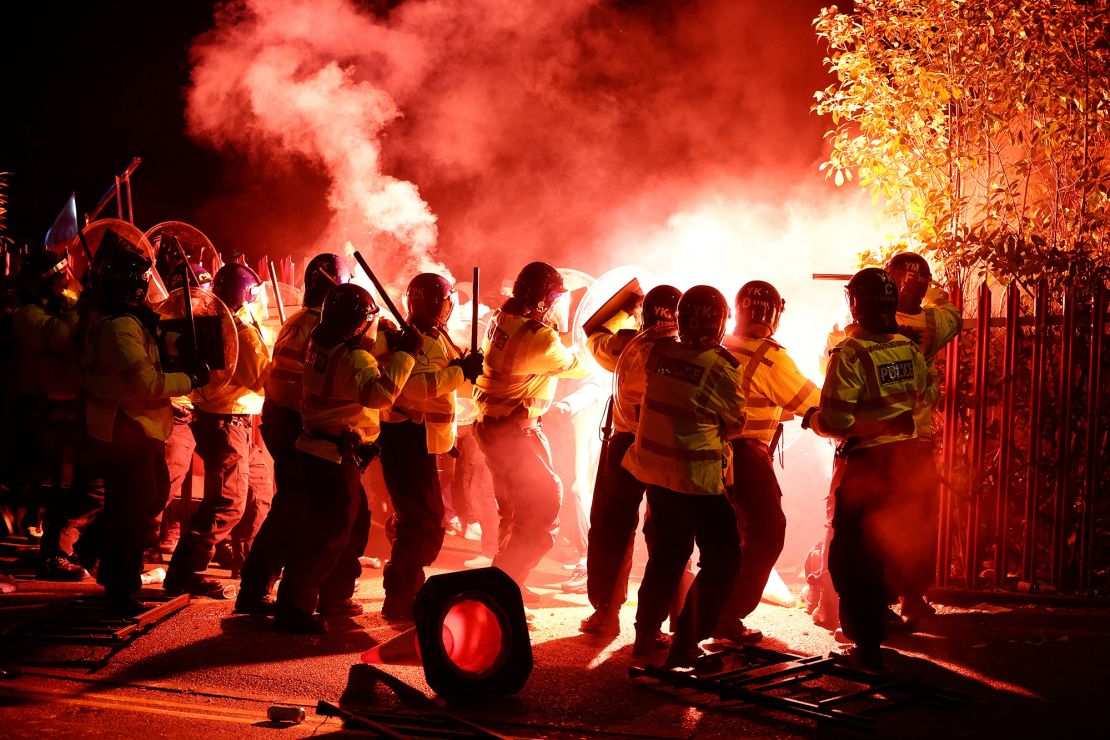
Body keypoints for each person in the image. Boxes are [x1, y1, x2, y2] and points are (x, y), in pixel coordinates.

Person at [801, 267, 935, 670]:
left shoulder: (851, 354)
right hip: (907, 460)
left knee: (852, 554)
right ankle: (885, 616)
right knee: (888, 542)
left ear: (854, 304)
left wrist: (812, 419)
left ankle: (867, 644)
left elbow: (837, 421)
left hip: (867, 463)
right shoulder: (907, 349)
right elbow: (924, 395)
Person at [273, 283, 419, 633]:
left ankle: (335, 596)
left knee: (351, 527)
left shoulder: (320, 342)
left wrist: (386, 344)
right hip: (333, 457)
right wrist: (405, 355)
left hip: (322, 451)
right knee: (327, 534)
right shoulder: (353, 357)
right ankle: (295, 607)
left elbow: (357, 358)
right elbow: (379, 394)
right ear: (355, 324)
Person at [78, 245, 209, 616]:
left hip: (136, 428)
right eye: (140, 284)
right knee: (131, 515)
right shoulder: (118, 328)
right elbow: (144, 384)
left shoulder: (121, 320)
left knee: (149, 500)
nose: (145, 291)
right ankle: (121, 591)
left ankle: (92, 548)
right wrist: (191, 378)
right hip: (125, 429)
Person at [622, 285, 747, 668]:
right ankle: (686, 645)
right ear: (721, 323)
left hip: (657, 477)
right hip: (696, 481)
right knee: (723, 559)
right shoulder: (721, 367)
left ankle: (645, 635)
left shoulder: (660, 354)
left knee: (668, 554)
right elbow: (736, 424)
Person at [235, 253, 349, 614]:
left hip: (279, 418)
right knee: (295, 507)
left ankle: (259, 586)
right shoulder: (322, 329)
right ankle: (260, 589)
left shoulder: (298, 320)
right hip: (297, 423)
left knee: (291, 505)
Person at [712, 281, 820, 645]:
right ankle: (726, 615)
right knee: (766, 534)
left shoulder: (718, 343)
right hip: (745, 457)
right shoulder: (770, 358)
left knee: (724, 539)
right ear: (775, 315)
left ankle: (703, 613)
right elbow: (812, 401)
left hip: (706, 454)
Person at [473, 262, 588, 601]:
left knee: (514, 511)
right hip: (516, 433)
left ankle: (509, 582)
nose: (556, 304)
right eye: (553, 297)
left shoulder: (501, 320)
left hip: (497, 429)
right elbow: (577, 365)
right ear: (540, 300)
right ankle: (501, 587)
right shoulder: (538, 337)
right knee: (542, 508)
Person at [377, 273, 483, 621]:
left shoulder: (431, 336)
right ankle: (399, 594)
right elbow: (414, 390)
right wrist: (461, 373)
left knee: (420, 519)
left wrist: (447, 437)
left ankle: (406, 586)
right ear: (442, 304)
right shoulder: (418, 339)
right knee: (424, 522)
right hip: (407, 439)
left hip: (418, 439)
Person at [580, 284, 681, 635]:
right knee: (668, 531)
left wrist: (627, 303)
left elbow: (593, 332)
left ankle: (605, 612)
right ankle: (667, 616)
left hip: (624, 444)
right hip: (667, 448)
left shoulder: (624, 347)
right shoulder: (687, 354)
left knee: (611, 527)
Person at [165, 264, 271, 597]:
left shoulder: (209, 321)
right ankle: (184, 572)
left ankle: (250, 564)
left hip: (227, 419)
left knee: (259, 491)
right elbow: (259, 377)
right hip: (227, 422)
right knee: (227, 502)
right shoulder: (240, 329)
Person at [10, 250, 97, 581]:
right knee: (54, 486)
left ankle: (64, 549)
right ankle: (52, 556)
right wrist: (82, 303)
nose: (64, 282)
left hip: (72, 405)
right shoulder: (27, 315)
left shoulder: (63, 308)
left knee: (74, 484)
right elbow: (61, 336)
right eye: (56, 278)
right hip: (45, 407)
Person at [885, 251, 960, 621]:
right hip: (917, 439)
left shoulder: (868, 321)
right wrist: (933, 293)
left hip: (877, 441)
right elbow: (952, 313)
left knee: (875, 521)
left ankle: (872, 603)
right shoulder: (932, 322)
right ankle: (913, 597)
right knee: (919, 521)